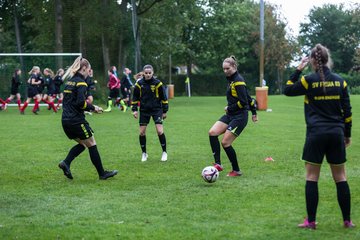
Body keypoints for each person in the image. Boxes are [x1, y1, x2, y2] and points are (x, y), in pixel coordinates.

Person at [284, 44, 354, 229]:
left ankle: (311, 221)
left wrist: (298, 69)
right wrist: (347, 134)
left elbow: (288, 89)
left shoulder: (308, 80)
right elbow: (347, 112)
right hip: (336, 134)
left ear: (313, 61)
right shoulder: (341, 82)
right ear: (327, 59)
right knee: (340, 177)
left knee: (312, 178)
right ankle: (347, 221)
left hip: (316, 134)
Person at [58, 56, 118, 180]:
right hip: (76, 121)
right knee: (92, 144)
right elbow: (80, 103)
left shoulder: (70, 81)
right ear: (84, 68)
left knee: (82, 144)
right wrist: (93, 108)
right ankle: (102, 174)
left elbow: (73, 102)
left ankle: (66, 163)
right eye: (89, 70)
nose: (89, 73)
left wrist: (91, 106)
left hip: (66, 121)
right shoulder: (81, 83)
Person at [208, 56, 257, 177]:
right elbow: (249, 97)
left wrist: (229, 108)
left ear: (234, 67)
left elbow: (244, 102)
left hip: (239, 117)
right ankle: (218, 164)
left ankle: (236, 170)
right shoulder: (231, 80)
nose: (225, 71)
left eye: (227, 68)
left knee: (225, 143)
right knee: (212, 132)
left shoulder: (238, 81)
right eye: (223, 69)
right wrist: (254, 112)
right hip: (230, 115)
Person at [131, 64, 169, 162]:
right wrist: (134, 110)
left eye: (149, 73)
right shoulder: (139, 84)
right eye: (146, 73)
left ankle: (164, 152)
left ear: (153, 73)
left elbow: (164, 97)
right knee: (142, 132)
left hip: (157, 110)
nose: (148, 75)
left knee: (160, 131)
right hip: (144, 110)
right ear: (143, 73)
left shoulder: (158, 83)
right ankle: (144, 153)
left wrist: (165, 111)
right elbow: (135, 97)